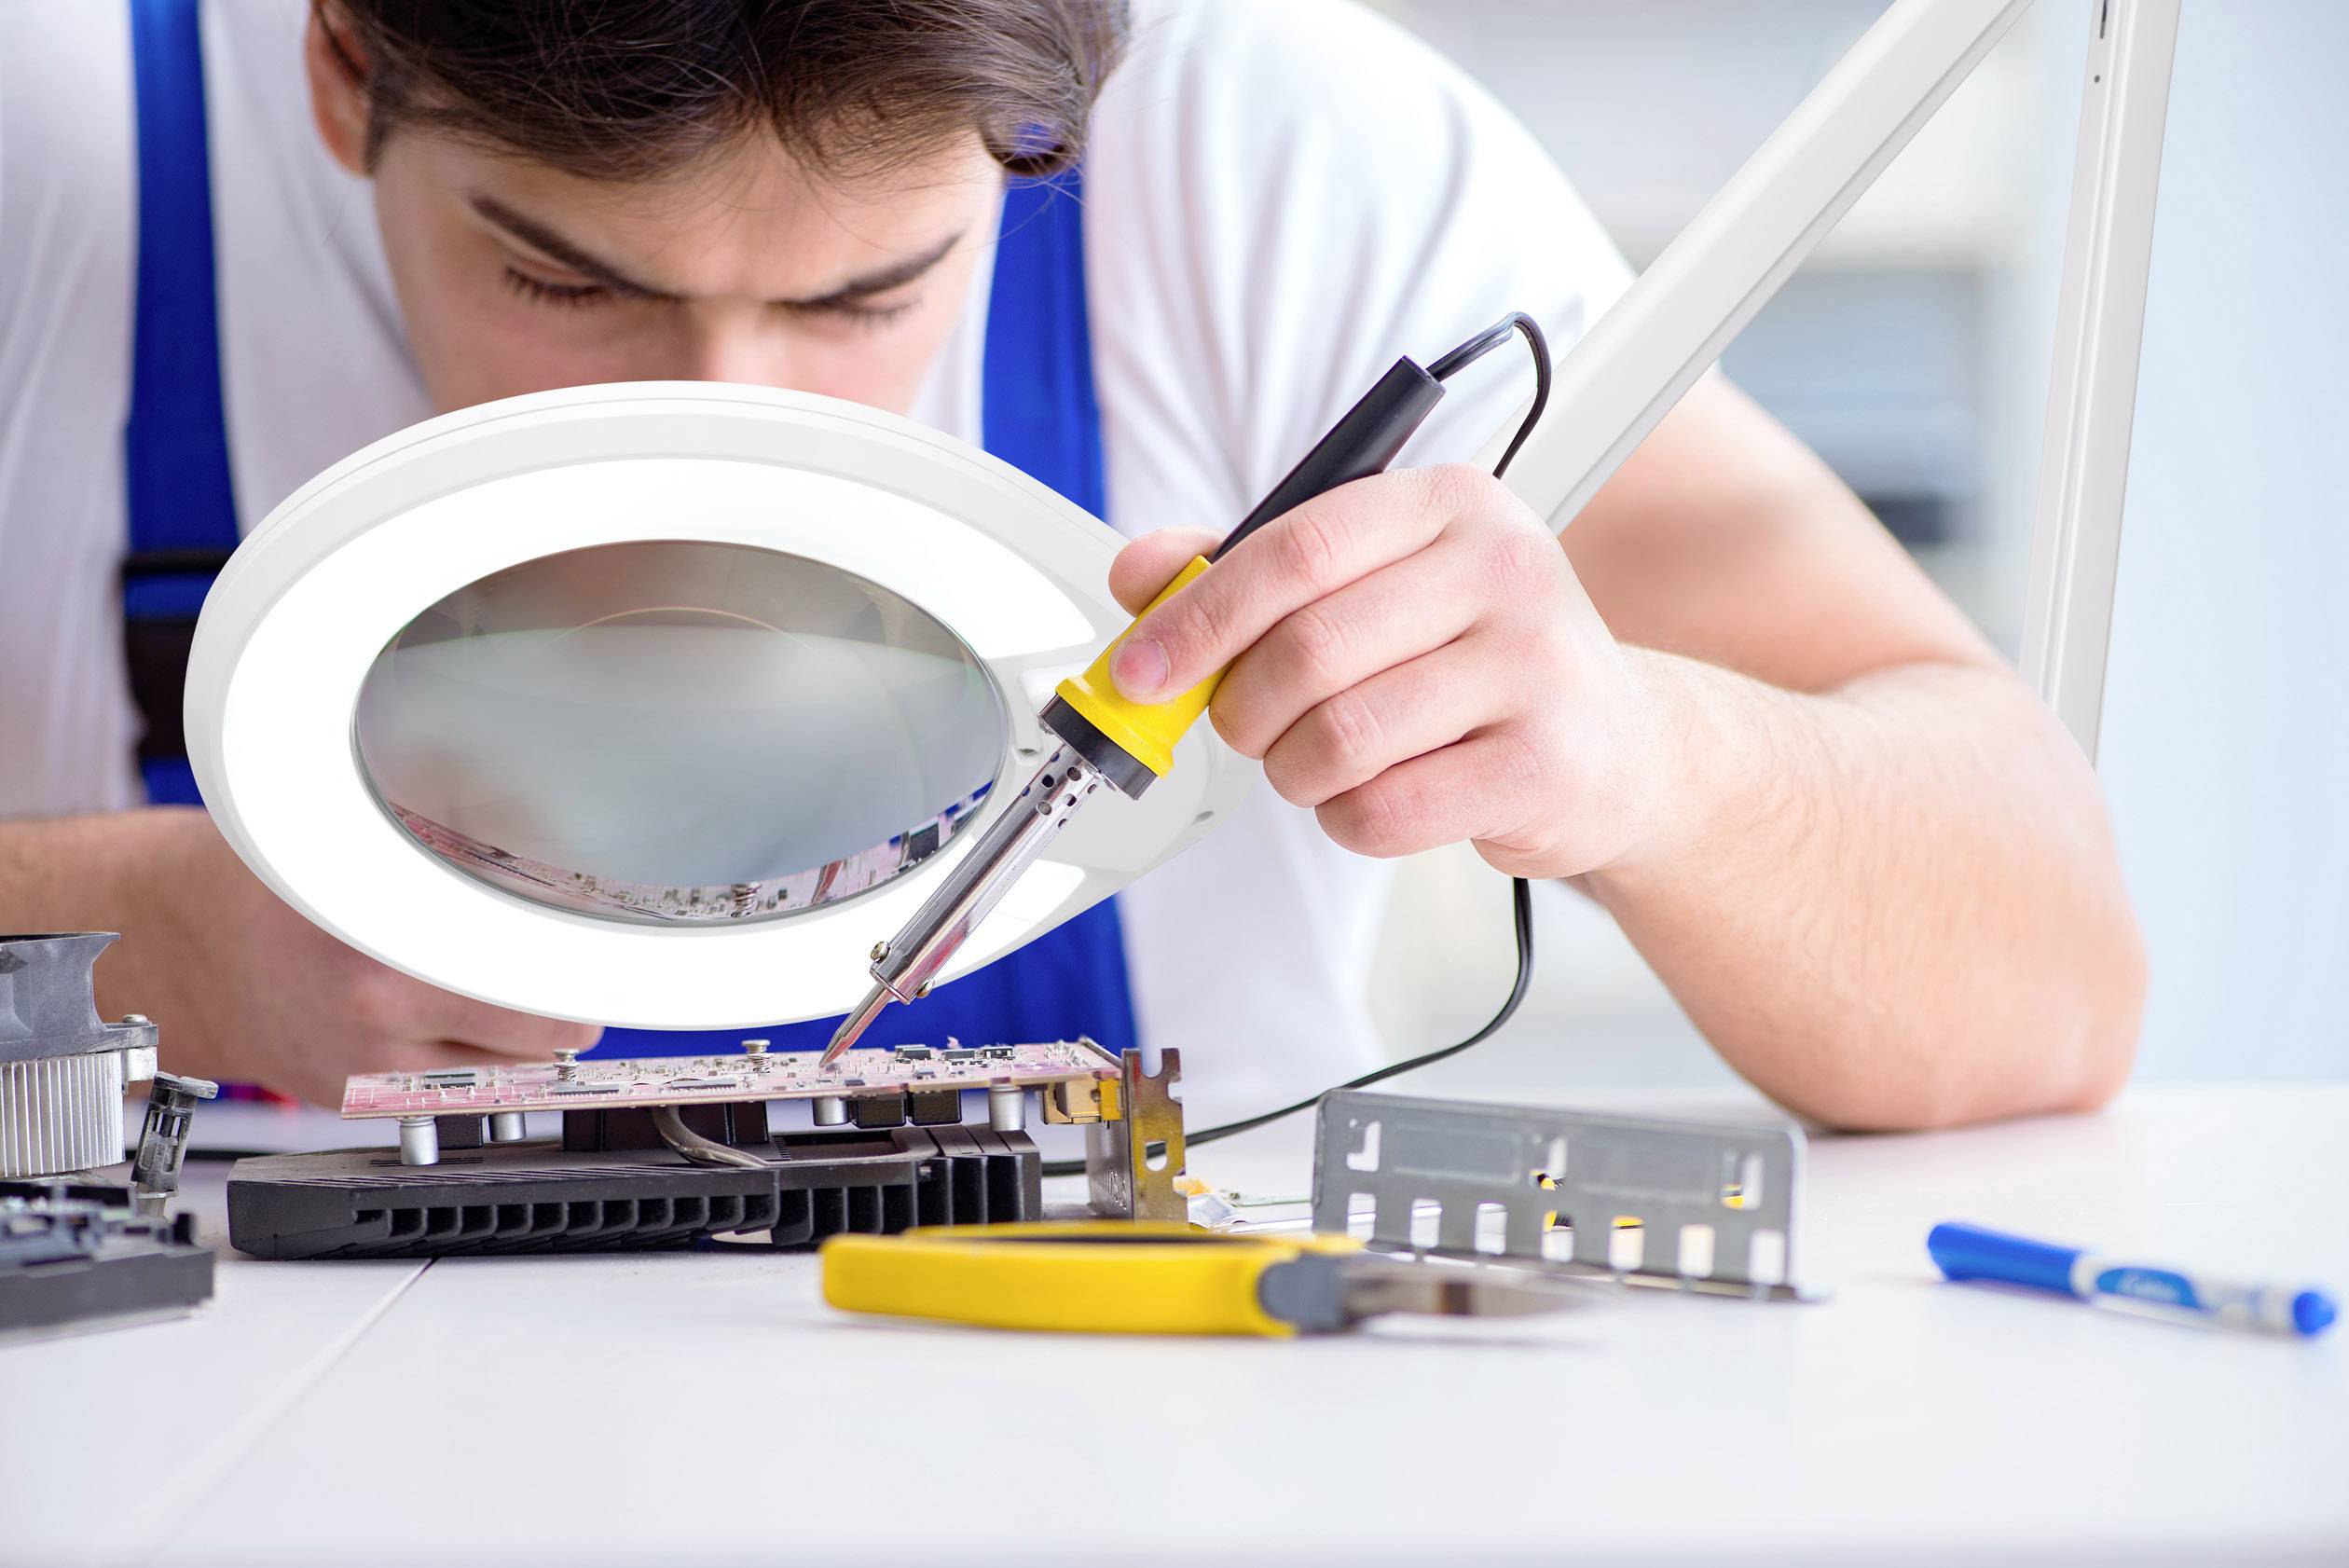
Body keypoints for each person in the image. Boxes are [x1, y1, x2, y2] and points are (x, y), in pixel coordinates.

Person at [0, 0, 2143, 1129]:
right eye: (560, 280)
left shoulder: (1284, 166)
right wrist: (123, 943)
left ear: (1049, 131)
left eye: (867, 300)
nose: (726, 429)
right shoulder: (53, 164)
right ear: (347, 56)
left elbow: (2049, 966)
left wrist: (1650, 758)